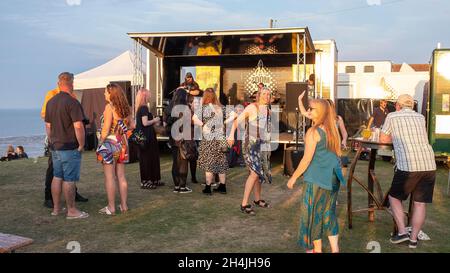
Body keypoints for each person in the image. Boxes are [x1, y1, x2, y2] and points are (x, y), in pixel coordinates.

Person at [287, 99, 345, 253]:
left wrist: (293, 177)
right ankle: (335, 249)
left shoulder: (313, 132)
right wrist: (299, 102)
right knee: (328, 214)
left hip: (316, 179)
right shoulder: (332, 128)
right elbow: (338, 154)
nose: (309, 111)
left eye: (311, 109)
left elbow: (306, 160)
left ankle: (315, 250)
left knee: (311, 215)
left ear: (319, 112)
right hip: (333, 177)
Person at [379, 94, 436, 249]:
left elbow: (383, 139)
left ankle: (402, 232)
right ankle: (413, 240)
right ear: (411, 106)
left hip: (408, 165)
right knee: (420, 204)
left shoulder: (392, 116)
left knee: (394, 197)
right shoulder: (421, 117)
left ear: (398, 105)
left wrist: (394, 138)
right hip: (429, 164)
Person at [45, 72, 89, 219]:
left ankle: (56, 209)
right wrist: (81, 145)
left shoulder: (50, 102)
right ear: (71, 84)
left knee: (57, 176)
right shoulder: (72, 102)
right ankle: (71, 211)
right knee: (69, 179)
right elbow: (78, 126)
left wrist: (52, 141)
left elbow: (48, 126)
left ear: (59, 83)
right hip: (69, 146)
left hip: (55, 146)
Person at [229, 87, 272, 215]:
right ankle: (244, 204)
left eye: (269, 95)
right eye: (264, 94)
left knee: (259, 173)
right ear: (259, 95)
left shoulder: (268, 109)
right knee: (254, 174)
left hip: (261, 145)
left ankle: (257, 199)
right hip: (250, 145)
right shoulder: (252, 107)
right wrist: (231, 135)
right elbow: (236, 121)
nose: (267, 96)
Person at [96, 83, 133, 215]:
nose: (104, 94)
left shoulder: (109, 107)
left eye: (106, 92)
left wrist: (100, 142)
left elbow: (105, 130)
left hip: (110, 144)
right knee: (121, 176)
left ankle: (111, 208)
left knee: (110, 177)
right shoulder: (127, 108)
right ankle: (124, 206)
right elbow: (132, 126)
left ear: (111, 93)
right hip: (122, 144)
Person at [192, 88, 229, 195]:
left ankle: (208, 188)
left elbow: (194, 119)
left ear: (205, 96)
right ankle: (222, 186)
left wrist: (203, 124)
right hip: (221, 137)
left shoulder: (203, 108)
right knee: (221, 161)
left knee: (209, 162)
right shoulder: (221, 107)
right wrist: (224, 122)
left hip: (209, 138)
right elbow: (234, 116)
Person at [164, 88, 193, 193]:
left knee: (175, 162)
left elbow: (166, 123)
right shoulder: (185, 108)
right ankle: (182, 186)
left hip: (173, 137)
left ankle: (176, 186)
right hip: (183, 137)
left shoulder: (169, 108)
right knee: (183, 162)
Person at [135, 88, 162, 189]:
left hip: (145, 137)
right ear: (145, 96)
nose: (150, 96)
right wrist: (155, 120)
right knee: (147, 159)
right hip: (146, 137)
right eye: (149, 95)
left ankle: (153, 179)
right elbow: (145, 123)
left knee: (150, 158)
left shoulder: (141, 108)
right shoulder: (144, 108)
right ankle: (146, 181)